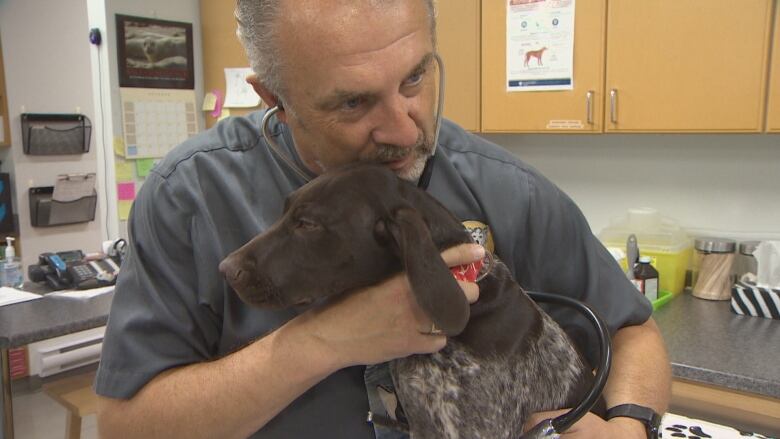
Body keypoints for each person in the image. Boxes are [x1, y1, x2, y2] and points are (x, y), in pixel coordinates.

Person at [95, 0, 671, 438]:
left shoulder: (506, 189)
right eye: (353, 102)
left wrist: (629, 427)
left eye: (415, 78)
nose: (404, 129)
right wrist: (321, 341)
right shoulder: (190, 197)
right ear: (274, 97)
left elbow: (633, 331)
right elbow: (127, 424)